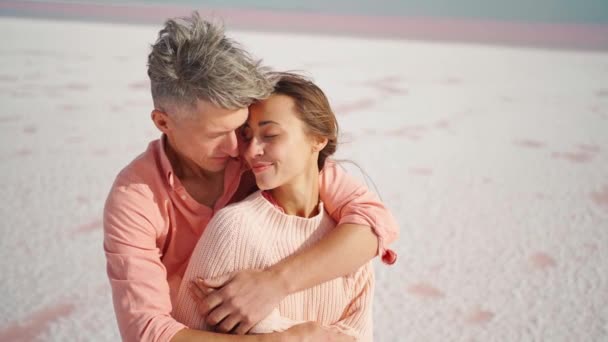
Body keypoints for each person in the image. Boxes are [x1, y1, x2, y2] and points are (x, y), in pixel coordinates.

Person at [103, 12, 398, 342]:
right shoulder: (135, 197)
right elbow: (146, 331)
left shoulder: (263, 161)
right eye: (217, 133)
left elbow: (374, 222)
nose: (236, 148)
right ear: (163, 122)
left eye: (240, 130)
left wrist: (275, 283)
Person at [174, 72, 376, 342]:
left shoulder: (347, 241)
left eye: (269, 134)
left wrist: (272, 325)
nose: (252, 150)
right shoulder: (234, 230)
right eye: (248, 136)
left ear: (317, 138)